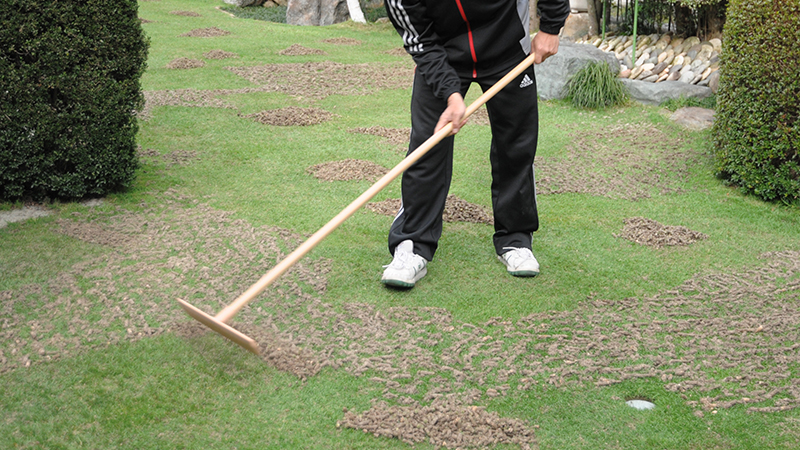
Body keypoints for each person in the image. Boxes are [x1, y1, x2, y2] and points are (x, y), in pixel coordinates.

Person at [381, 0, 570, 288]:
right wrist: (450, 94)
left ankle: (515, 240)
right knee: (428, 145)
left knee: (516, 145)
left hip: (508, 48)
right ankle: (413, 245)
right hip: (442, 54)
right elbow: (418, 36)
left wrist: (551, 26)